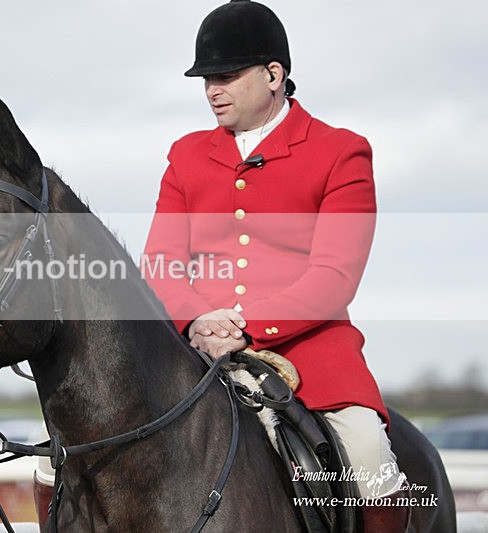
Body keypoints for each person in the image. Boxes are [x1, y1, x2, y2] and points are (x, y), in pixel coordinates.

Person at [141, 0, 409, 529]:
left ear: (273, 75)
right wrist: (197, 319)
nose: (212, 90)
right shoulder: (186, 155)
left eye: (226, 76)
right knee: (58, 457)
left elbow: (334, 279)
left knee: (369, 458)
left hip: (308, 353)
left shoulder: (341, 152)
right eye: (205, 79)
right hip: (195, 350)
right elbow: (161, 265)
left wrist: (244, 326)